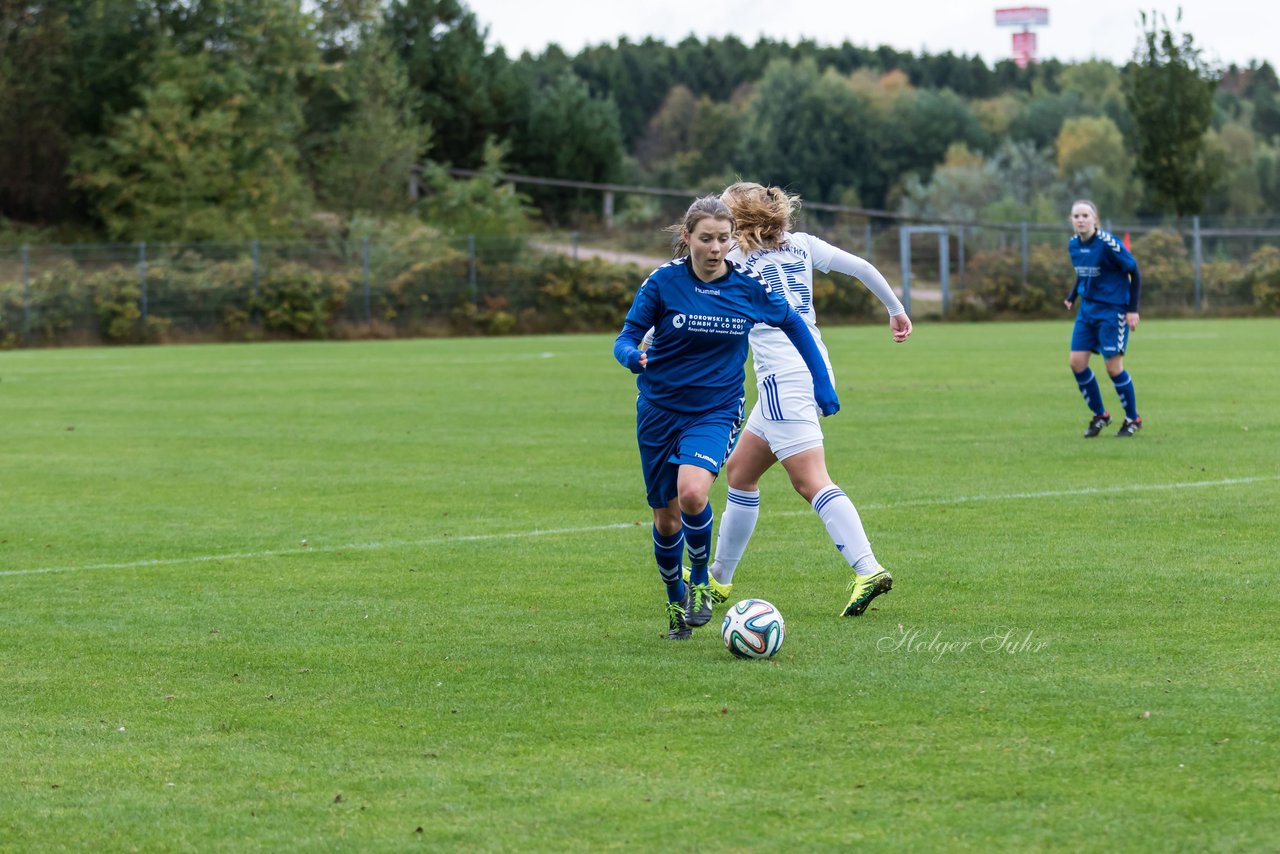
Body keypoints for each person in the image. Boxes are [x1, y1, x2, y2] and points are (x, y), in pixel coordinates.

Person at [613, 195, 840, 640]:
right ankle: (674, 595)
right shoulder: (662, 283)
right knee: (666, 519)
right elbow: (627, 336)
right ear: (687, 238)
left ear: (732, 238)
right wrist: (631, 357)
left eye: (723, 238)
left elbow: (793, 323)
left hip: (715, 410)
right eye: (706, 239)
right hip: (658, 410)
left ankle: (701, 579)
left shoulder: (747, 284)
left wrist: (821, 382)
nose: (716, 248)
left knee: (693, 493)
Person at [682, 182, 912, 620]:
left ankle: (867, 568)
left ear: (739, 221)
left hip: (781, 378)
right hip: (811, 365)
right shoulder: (802, 245)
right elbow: (862, 267)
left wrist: (649, 338)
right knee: (742, 472)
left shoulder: (735, 258)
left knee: (811, 481)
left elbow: (683, 286)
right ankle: (719, 579)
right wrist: (895, 309)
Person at [1062, 200, 1143, 438]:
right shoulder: (1074, 245)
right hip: (1087, 311)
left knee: (1113, 368)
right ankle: (1100, 415)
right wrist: (1073, 294)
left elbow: (1134, 271)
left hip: (1112, 311)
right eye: (1076, 216)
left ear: (1095, 219)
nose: (1080, 220)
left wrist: (1132, 309)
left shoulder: (1109, 244)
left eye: (1085, 215)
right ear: (1071, 220)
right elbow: (1083, 273)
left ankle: (1132, 419)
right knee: (1076, 363)